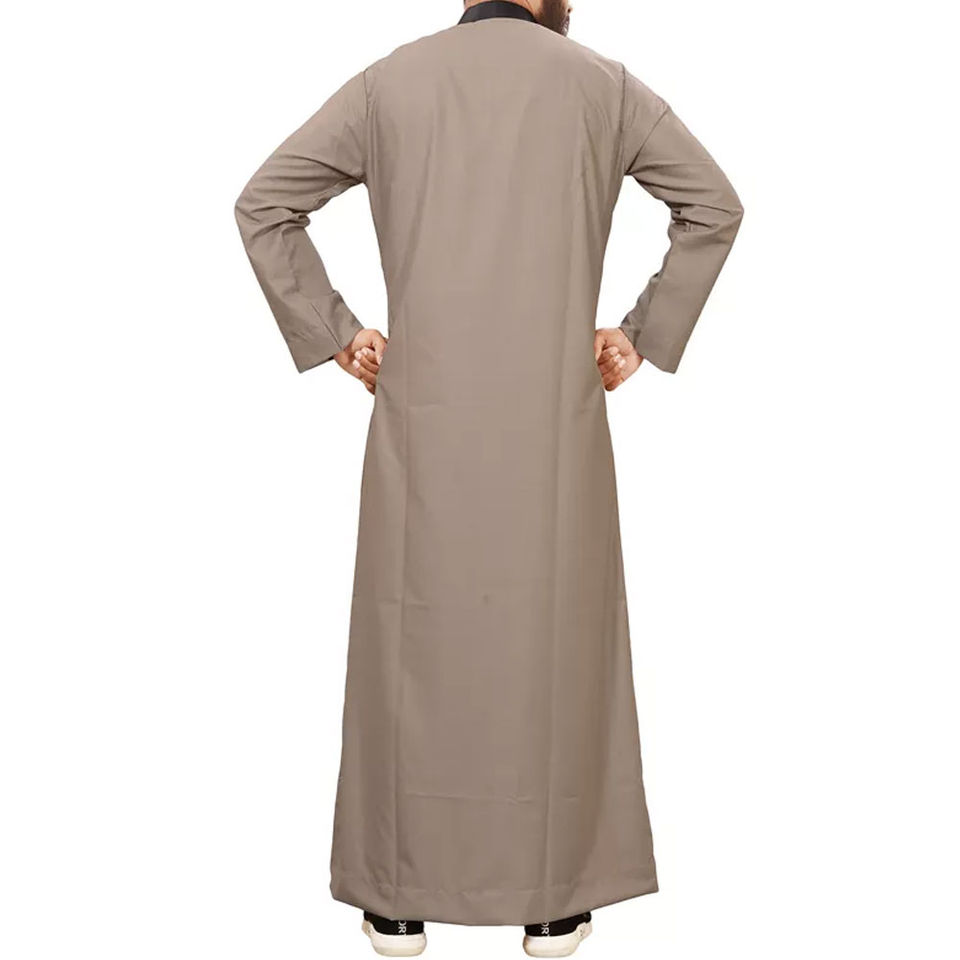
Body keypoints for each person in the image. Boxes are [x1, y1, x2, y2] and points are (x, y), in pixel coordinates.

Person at [233, 0, 742, 955]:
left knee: (411, 649)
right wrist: (643, 331)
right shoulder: (602, 86)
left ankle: (396, 895)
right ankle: (556, 894)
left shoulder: (391, 83)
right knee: (555, 647)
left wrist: (336, 331)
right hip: (554, 420)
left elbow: (265, 205)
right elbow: (714, 205)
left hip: (423, 420)